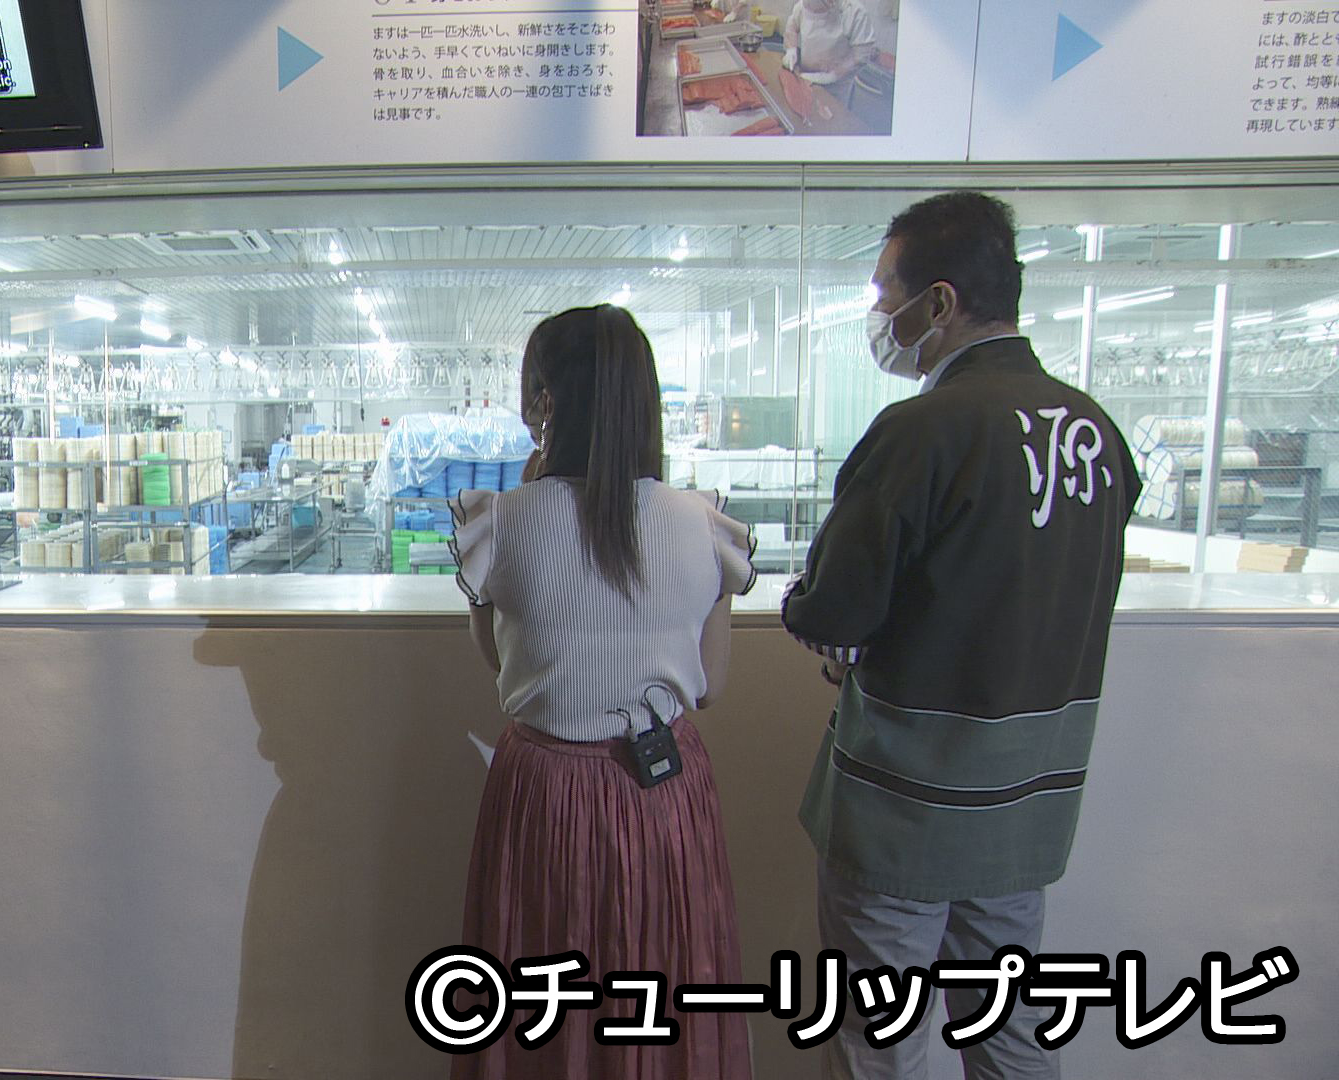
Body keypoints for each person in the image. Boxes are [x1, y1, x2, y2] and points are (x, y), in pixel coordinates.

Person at [781, 191, 1141, 1079]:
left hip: (909, 807)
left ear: (938, 302)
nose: (878, 316)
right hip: (1024, 807)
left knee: (882, 1042)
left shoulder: (924, 430)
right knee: (1011, 1034)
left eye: (883, 294)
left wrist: (806, 605)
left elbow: (833, 611)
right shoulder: (1098, 433)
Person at [447, 304, 756, 1079]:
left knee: (539, 984)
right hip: (665, 793)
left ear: (545, 402)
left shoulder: (501, 523)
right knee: (665, 981)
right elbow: (712, 684)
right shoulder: (701, 525)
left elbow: (498, 660)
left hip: (542, 791)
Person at [782, 0, 879, 107]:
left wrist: (833, 75)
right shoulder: (802, 5)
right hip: (804, 78)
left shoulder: (855, 13)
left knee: (827, 113)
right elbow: (792, 26)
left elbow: (861, 53)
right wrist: (791, 50)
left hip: (836, 88)